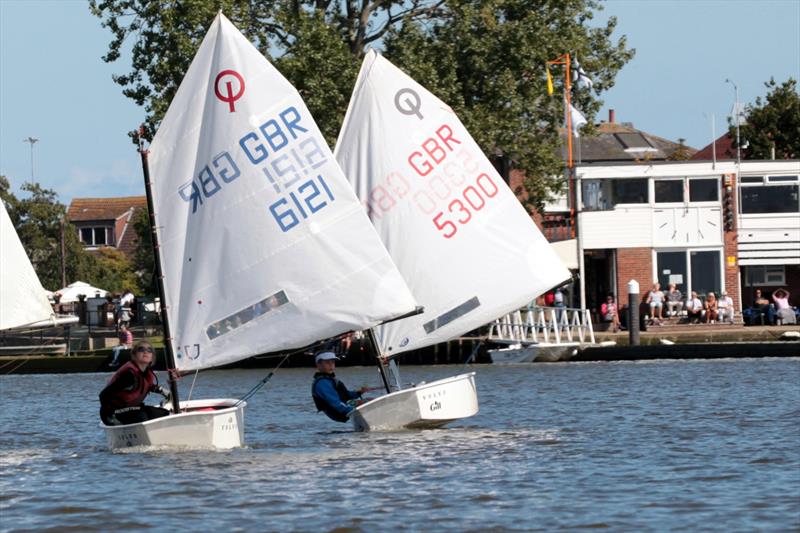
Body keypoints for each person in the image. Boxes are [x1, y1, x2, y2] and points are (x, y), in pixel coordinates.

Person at [99, 340, 171, 426]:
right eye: (141, 349)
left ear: (152, 356)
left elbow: (146, 385)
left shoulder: (145, 373)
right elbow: (103, 395)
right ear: (134, 355)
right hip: (113, 413)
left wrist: (163, 391)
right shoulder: (129, 375)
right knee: (142, 417)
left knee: (164, 414)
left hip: (132, 410)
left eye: (149, 350)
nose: (145, 352)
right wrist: (111, 417)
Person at [311, 351, 367, 423]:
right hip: (337, 411)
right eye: (327, 363)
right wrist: (353, 411)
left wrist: (359, 392)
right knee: (366, 403)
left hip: (344, 405)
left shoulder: (330, 379)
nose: (331, 365)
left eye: (333, 362)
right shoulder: (322, 383)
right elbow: (334, 402)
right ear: (318, 365)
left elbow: (345, 395)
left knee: (368, 400)